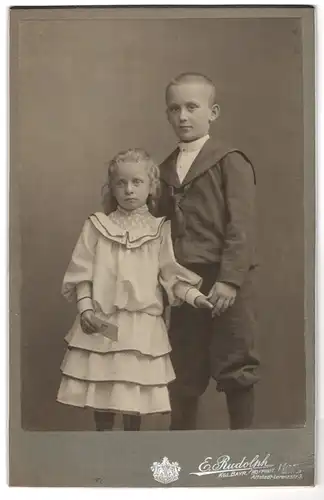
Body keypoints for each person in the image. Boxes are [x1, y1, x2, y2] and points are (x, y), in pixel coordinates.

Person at [57, 148, 212, 431]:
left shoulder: (159, 229)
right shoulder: (96, 226)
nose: (129, 190)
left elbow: (170, 275)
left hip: (141, 325)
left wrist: (195, 296)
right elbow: (83, 273)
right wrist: (86, 308)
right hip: (103, 321)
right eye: (121, 183)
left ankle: (130, 452)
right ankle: (105, 453)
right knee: (103, 391)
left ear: (151, 186)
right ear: (111, 187)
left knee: (132, 395)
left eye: (137, 182)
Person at [157, 72, 260, 430]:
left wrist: (230, 281)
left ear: (212, 112)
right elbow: (156, 228)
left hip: (224, 278)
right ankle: (181, 453)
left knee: (236, 362)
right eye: (175, 109)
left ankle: (242, 451)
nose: (183, 116)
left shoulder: (229, 160)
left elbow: (241, 227)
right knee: (183, 366)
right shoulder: (164, 169)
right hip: (185, 283)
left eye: (192, 107)